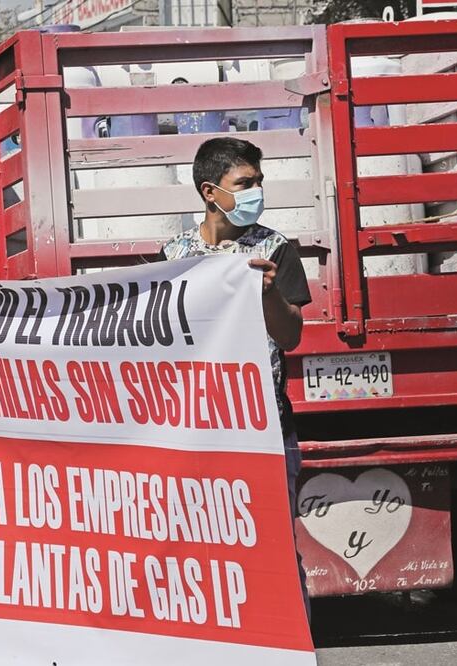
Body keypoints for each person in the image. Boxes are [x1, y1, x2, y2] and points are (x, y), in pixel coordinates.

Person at [159, 137, 312, 616]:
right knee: (197, 556)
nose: (256, 192)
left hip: (263, 428)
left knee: (275, 554)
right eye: (244, 184)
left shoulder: (275, 249)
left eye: (258, 182)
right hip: (196, 432)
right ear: (210, 191)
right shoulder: (173, 255)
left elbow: (290, 338)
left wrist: (266, 294)